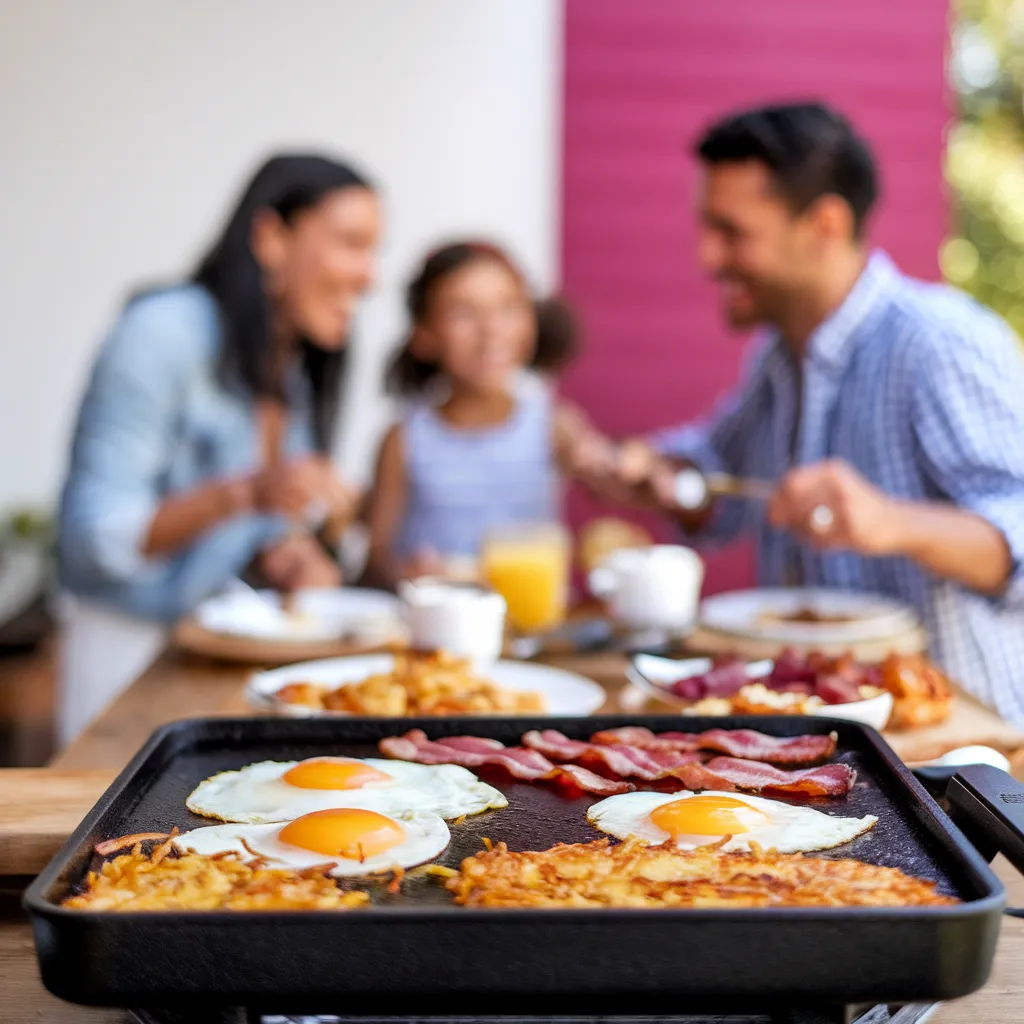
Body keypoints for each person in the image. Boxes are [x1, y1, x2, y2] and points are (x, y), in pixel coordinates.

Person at [608, 103, 1024, 722]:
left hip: (958, 753)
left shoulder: (938, 342)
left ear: (825, 224)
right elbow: (715, 475)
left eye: (732, 232)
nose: (707, 258)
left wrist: (890, 521)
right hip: (831, 733)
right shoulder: (779, 353)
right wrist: (655, 469)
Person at [57, 153, 381, 743]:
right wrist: (248, 493)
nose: (370, 274)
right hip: (127, 660)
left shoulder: (291, 368)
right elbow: (94, 538)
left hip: (219, 668)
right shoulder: (163, 330)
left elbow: (254, 532)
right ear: (271, 237)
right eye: (351, 243)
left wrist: (290, 553)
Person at [364, 241, 609, 588]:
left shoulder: (554, 427)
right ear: (424, 334)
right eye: (464, 313)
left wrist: (606, 466)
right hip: (439, 629)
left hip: (530, 630)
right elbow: (375, 561)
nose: (490, 330)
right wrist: (405, 574)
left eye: (508, 308)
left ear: (530, 321)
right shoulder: (403, 440)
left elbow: (609, 479)